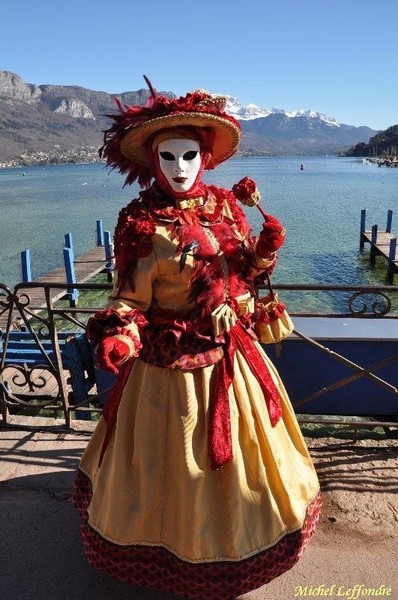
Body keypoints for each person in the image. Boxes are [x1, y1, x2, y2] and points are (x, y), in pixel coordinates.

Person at [72, 79, 321, 600]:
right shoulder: (140, 222)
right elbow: (130, 299)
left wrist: (264, 252)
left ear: (205, 157)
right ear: (152, 162)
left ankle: (239, 543)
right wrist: (119, 334)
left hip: (234, 358)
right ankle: (176, 553)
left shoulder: (227, 207)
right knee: (176, 466)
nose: (180, 168)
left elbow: (242, 273)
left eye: (190, 155)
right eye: (169, 157)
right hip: (170, 370)